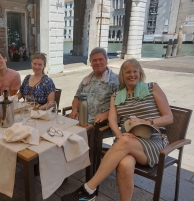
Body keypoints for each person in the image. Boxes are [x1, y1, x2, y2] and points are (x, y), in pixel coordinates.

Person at [62, 58, 173, 201]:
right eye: (128, 72)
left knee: (125, 142)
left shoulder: (152, 88)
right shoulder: (116, 96)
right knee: (124, 163)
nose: (132, 75)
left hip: (153, 140)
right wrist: (119, 134)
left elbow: (169, 117)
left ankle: (89, 189)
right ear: (122, 75)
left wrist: (147, 121)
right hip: (127, 139)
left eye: (135, 71)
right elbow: (113, 120)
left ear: (140, 73)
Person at [68, 47, 119, 125]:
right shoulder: (86, 79)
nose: (97, 62)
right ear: (91, 63)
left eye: (100, 59)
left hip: (98, 121)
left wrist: (106, 114)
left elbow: (122, 105)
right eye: (94, 60)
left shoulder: (115, 80)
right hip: (80, 116)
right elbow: (77, 97)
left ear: (106, 61)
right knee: (58, 125)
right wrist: (74, 110)